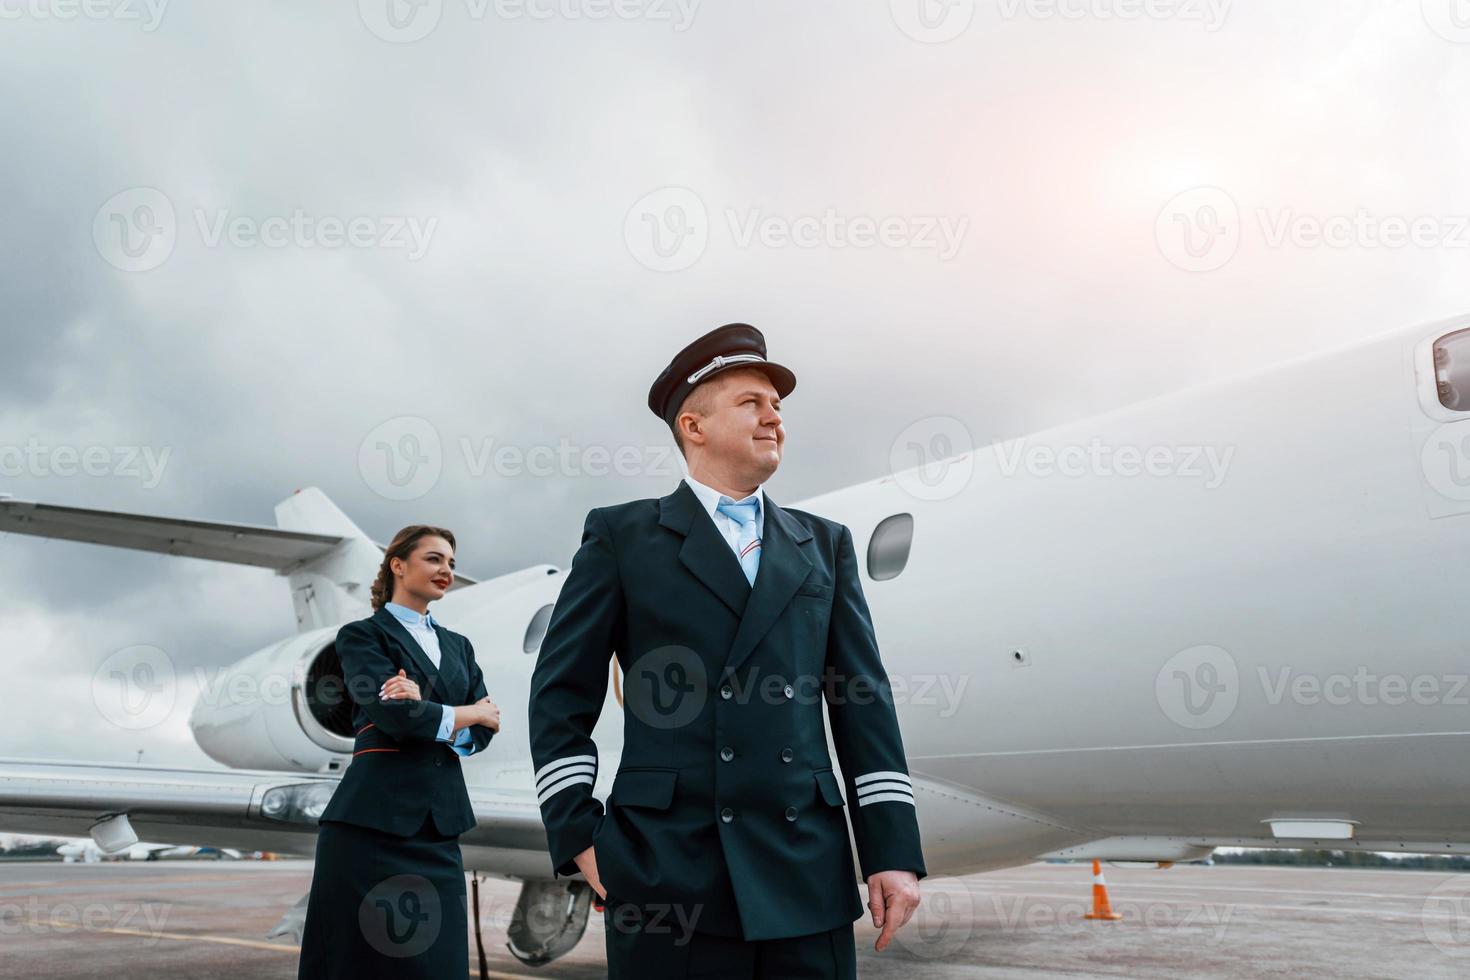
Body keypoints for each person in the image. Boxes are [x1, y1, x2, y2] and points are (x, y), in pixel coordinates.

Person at [528, 323, 925, 979]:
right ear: (694, 425)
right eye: (752, 403)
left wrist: (891, 850)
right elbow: (561, 693)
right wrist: (577, 839)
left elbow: (864, 705)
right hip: (667, 873)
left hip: (806, 871)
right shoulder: (622, 537)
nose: (775, 418)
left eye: (778, 408)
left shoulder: (825, 544)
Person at [297, 524, 501, 979]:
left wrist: (431, 709)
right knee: (358, 966)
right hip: (369, 829)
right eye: (434, 559)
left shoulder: (459, 647)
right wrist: (467, 712)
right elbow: (394, 718)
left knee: (441, 966)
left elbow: (486, 731)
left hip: (439, 828)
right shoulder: (361, 636)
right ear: (397, 565)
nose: (446, 569)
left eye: (450, 562)